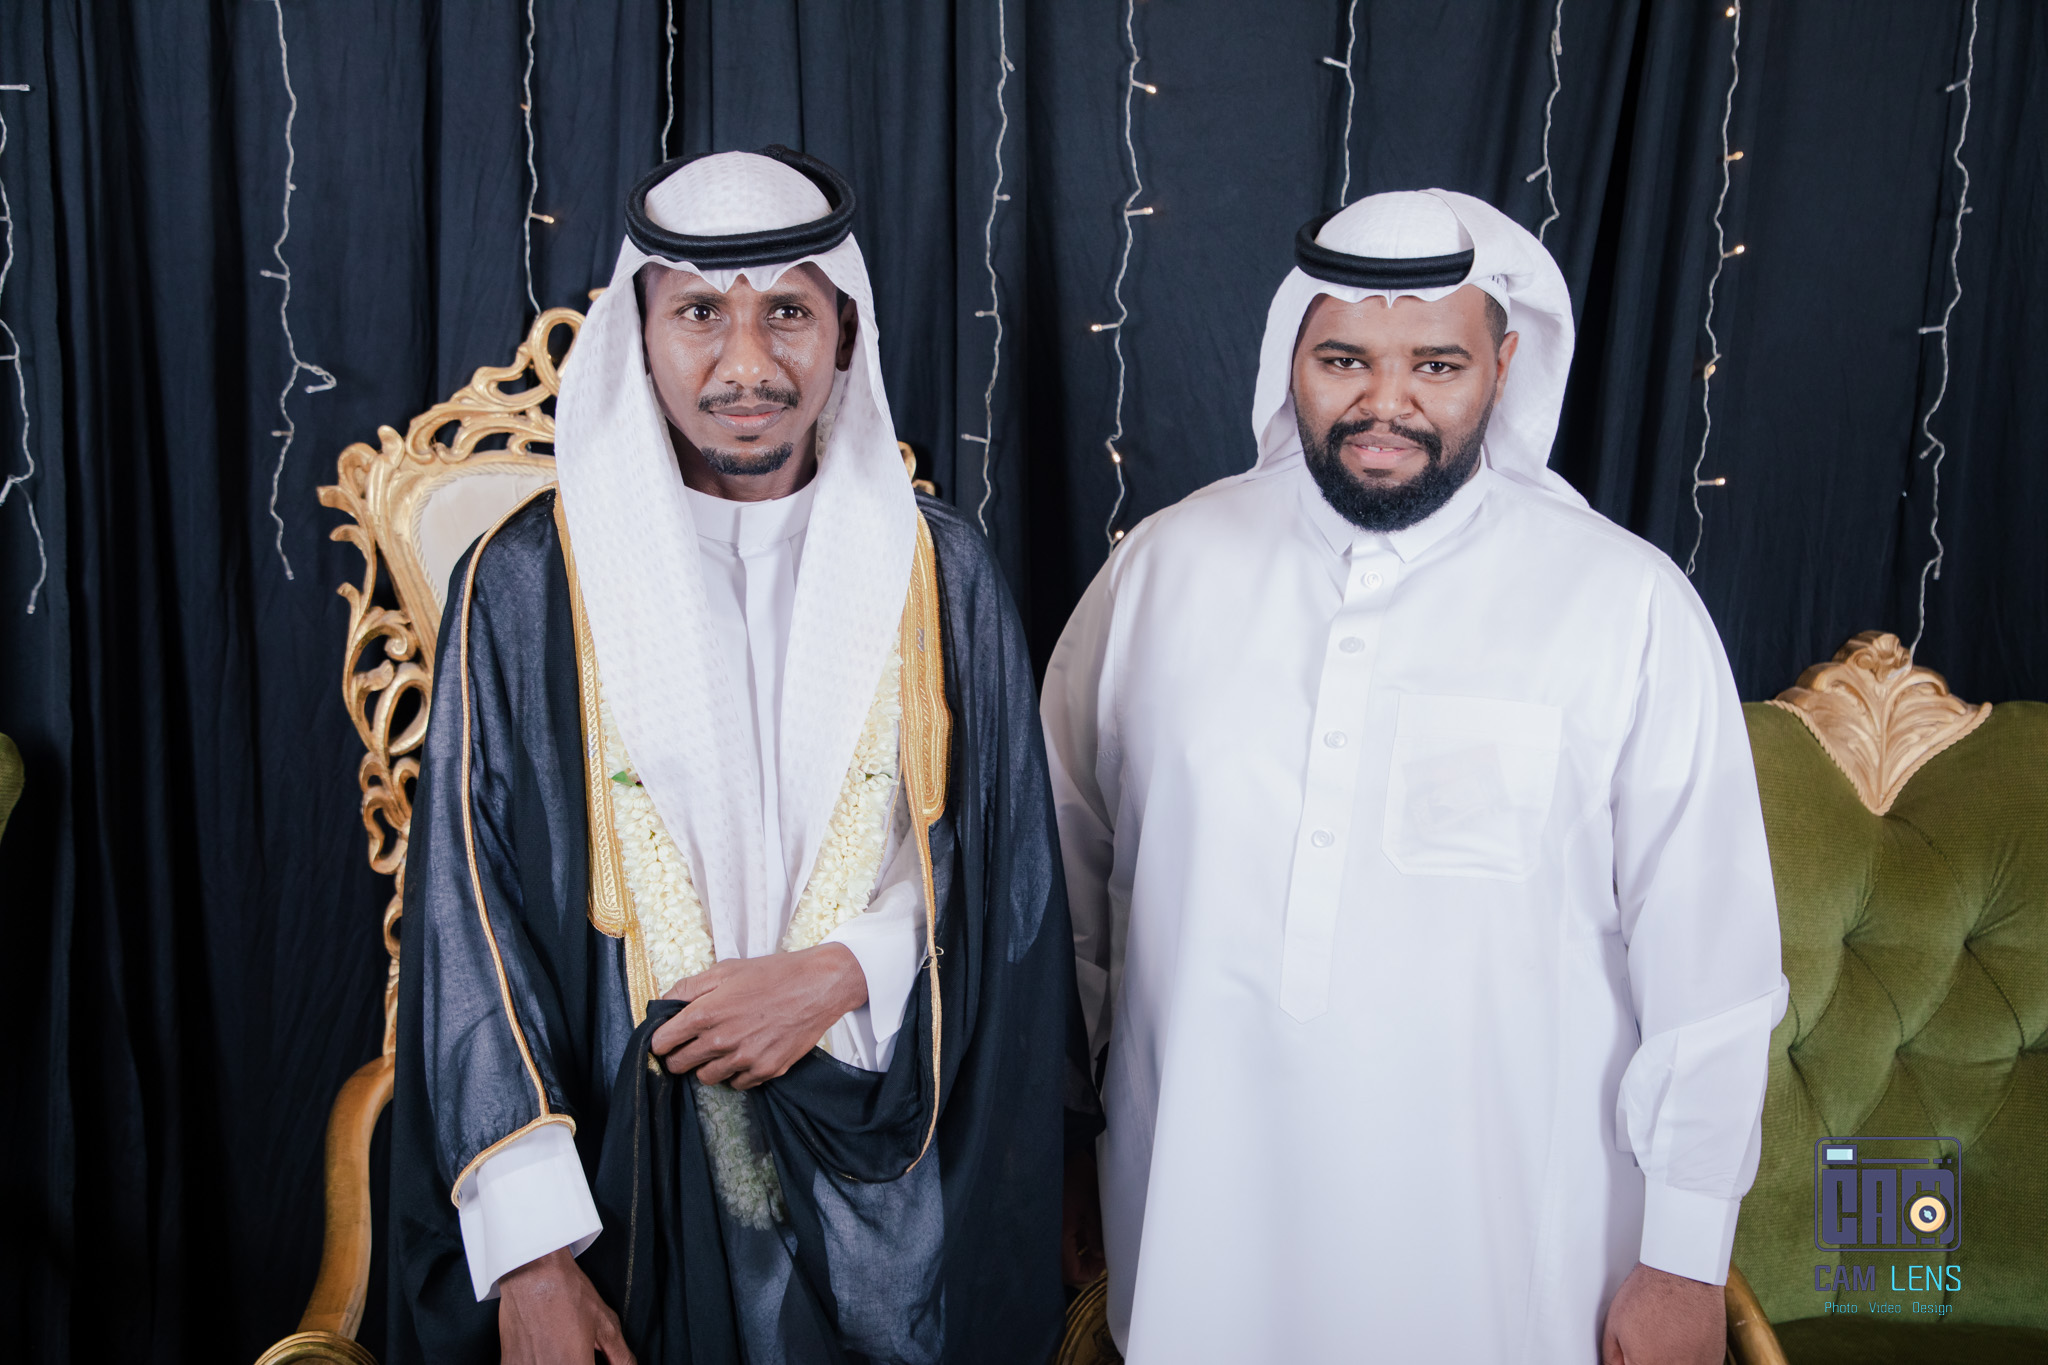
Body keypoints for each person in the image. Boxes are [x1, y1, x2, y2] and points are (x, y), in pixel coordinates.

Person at [1042, 189, 1786, 1364]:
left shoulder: (1622, 604)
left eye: (1435, 365)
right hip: (1196, 1228)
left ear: (1503, 365)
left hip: (1504, 1258)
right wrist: (1057, 1146)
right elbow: (1058, 894)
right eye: (1342, 359)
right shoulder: (1163, 573)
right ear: (1290, 360)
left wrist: (1683, 1260)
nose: (1382, 404)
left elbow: (1711, 967)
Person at [387, 147, 1086, 1365]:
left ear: (844, 334)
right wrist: (534, 1258)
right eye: (701, 313)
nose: (747, 364)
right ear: (639, 335)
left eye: (788, 313)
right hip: (612, 1193)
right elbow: (469, 918)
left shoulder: (938, 572)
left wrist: (842, 971)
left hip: (889, 1177)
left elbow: (1003, 873)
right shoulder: (527, 582)